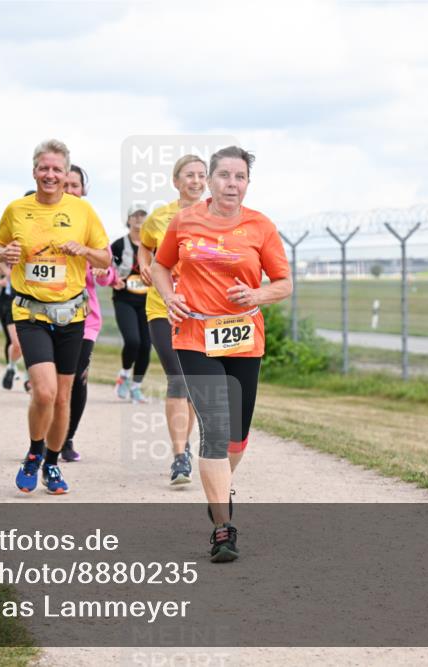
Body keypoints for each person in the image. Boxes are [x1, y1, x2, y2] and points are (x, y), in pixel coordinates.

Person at [151, 146, 291, 562]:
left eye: (240, 177)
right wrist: (169, 295)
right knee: (214, 427)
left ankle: (217, 490)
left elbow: (284, 282)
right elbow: (160, 265)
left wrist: (258, 293)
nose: (232, 183)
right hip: (194, 334)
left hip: (244, 337)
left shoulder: (260, 226)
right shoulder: (185, 220)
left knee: (236, 438)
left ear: (248, 183)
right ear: (209, 180)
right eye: (224, 175)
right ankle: (222, 528)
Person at [0, 139, 110, 494]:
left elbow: (105, 259)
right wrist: (5, 252)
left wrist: (85, 250)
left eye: (57, 169)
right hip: (30, 310)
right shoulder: (16, 209)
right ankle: (34, 453)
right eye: (44, 168)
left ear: (66, 174)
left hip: (71, 313)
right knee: (43, 393)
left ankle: (53, 464)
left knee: (62, 397)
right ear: (34, 171)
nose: (50, 174)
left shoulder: (82, 212)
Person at [139, 154, 208, 485]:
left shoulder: (216, 216)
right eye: (189, 175)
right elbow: (145, 245)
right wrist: (144, 263)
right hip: (162, 305)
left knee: (192, 383)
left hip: (200, 308)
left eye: (201, 175)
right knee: (178, 377)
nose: (196, 181)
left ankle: (184, 449)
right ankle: (180, 456)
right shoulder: (160, 217)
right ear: (176, 181)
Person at [60, 164, 117, 463]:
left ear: (83, 190)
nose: (69, 190)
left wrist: (101, 269)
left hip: (85, 318)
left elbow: (109, 275)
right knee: (51, 381)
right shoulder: (44, 221)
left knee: (77, 379)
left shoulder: (91, 224)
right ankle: (44, 437)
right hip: (47, 314)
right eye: (65, 185)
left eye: (75, 185)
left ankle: (66, 438)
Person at [111, 205, 152, 404]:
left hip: (147, 301)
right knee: (133, 341)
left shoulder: (154, 246)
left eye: (143, 215)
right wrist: (113, 280)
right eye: (135, 215)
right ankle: (124, 375)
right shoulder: (118, 245)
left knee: (146, 345)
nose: (139, 219)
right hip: (124, 299)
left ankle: (136, 387)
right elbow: (107, 268)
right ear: (128, 220)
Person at [0, 256, 27, 390]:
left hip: (32, 303)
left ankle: (29, 377)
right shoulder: (6, 263)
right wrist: (3, 280)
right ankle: (11, 367)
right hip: (10, 303)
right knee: (16, 343)